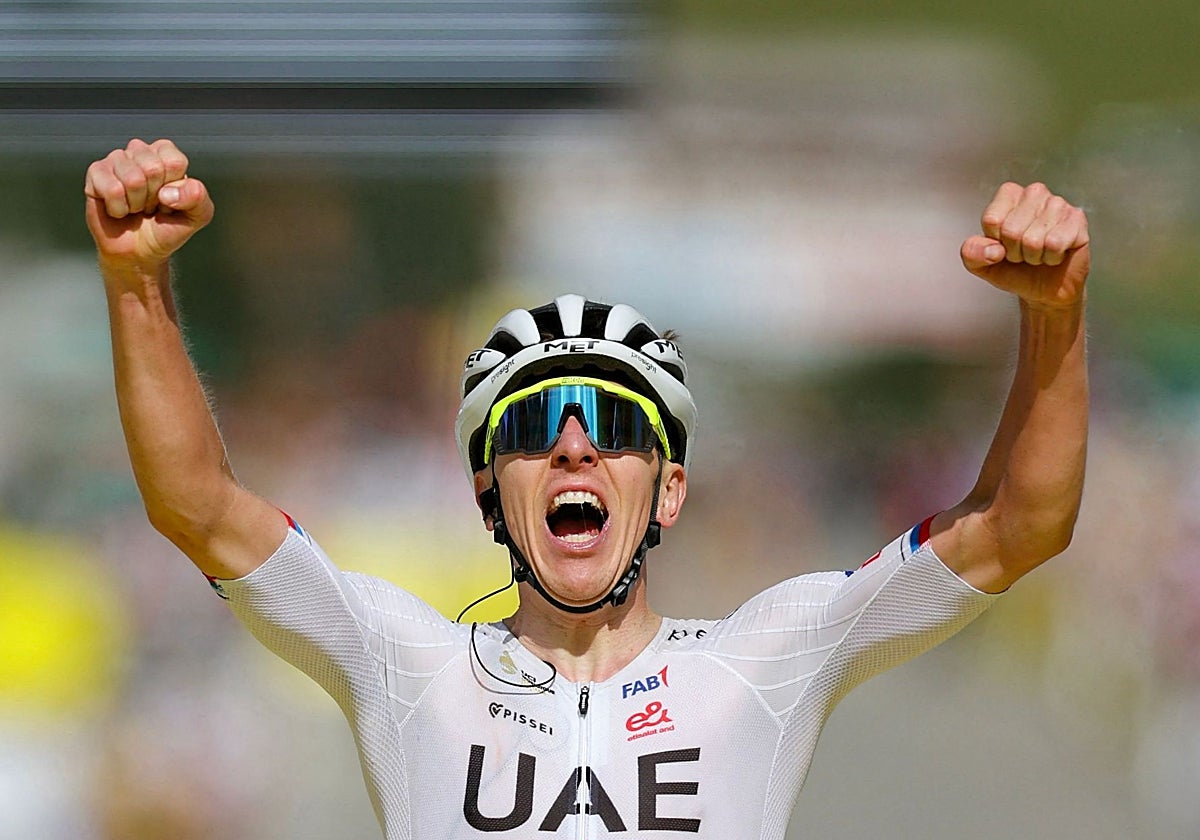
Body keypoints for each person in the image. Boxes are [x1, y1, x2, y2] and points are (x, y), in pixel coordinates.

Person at [86, 138, 1089, 838]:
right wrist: (137, 281)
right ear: (487, 496)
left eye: (615, 429)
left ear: (670, 492)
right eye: (529, 429)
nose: (573, 447)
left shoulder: (764, 656)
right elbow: (198, 504)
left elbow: (1020, 527)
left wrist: (1054, 314)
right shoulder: (406, 661)